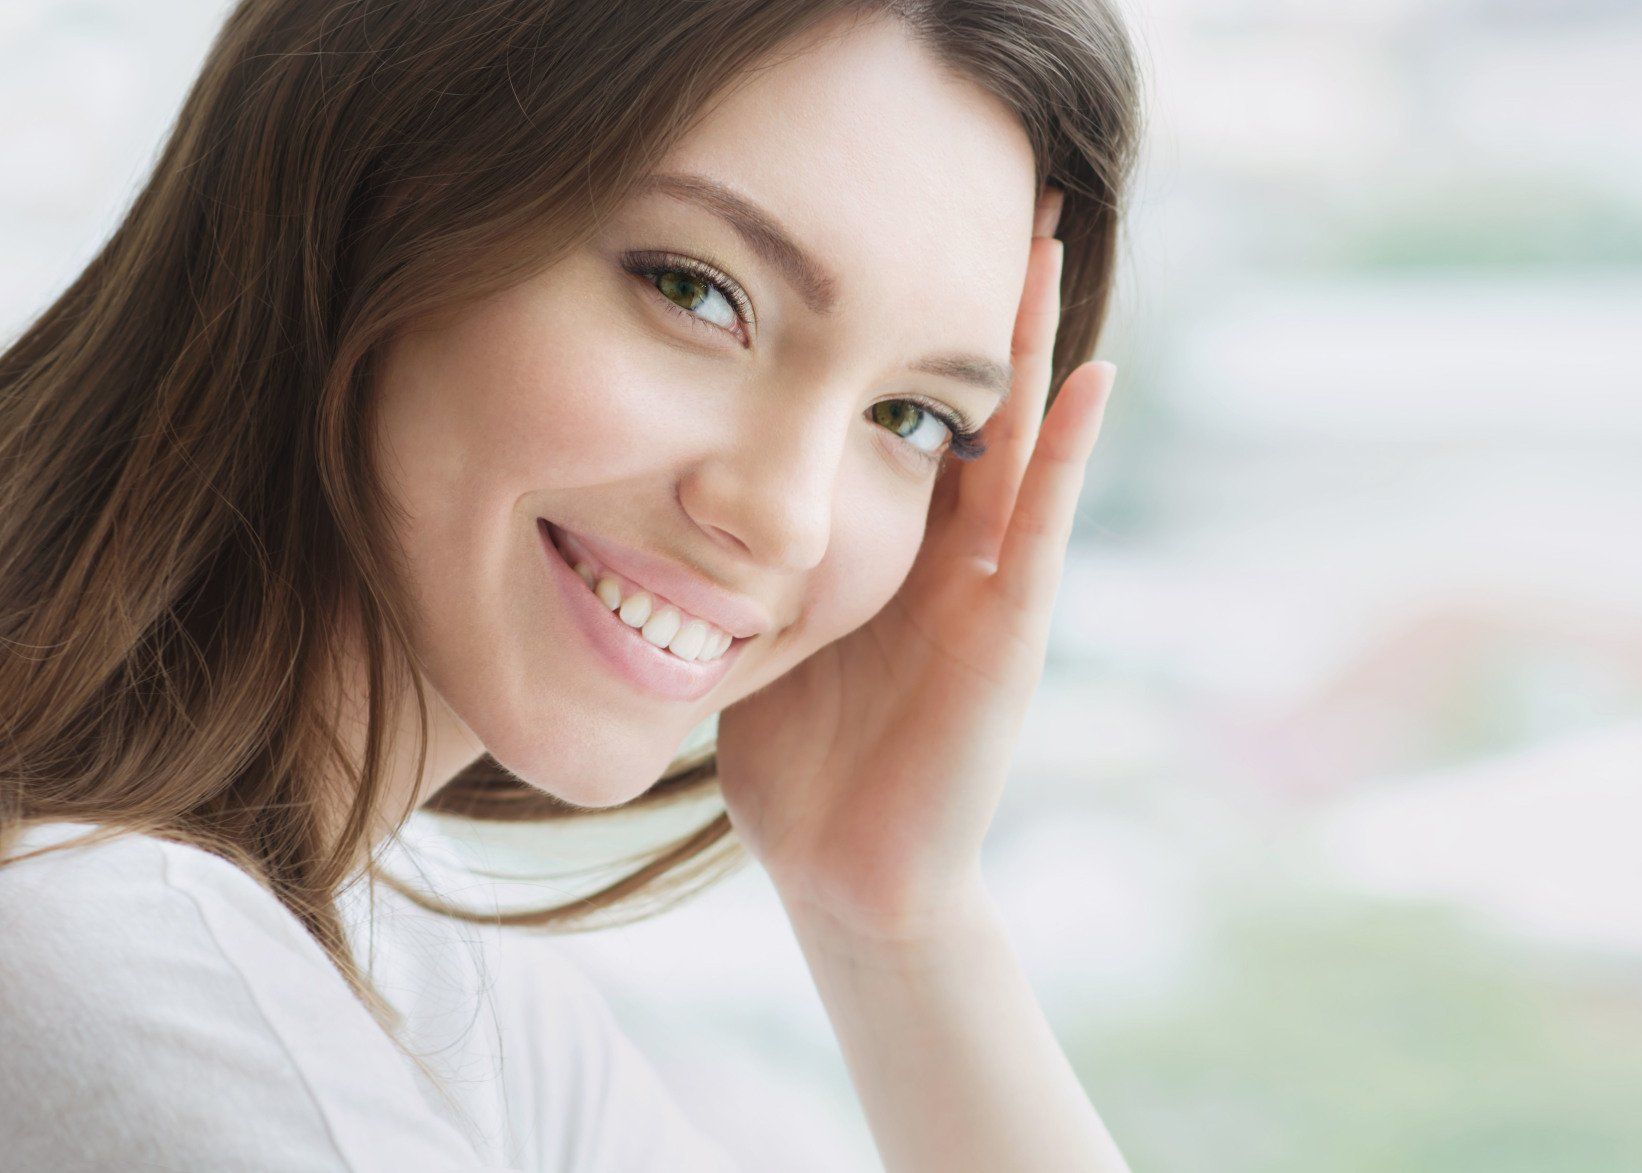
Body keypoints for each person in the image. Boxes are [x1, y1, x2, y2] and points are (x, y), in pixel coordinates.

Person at [0, 0, 1144, 1169]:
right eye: (698, 292)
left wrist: (894, 914)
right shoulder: (131, 972)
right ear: (376, 171)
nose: (788, 519)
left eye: (912, 417)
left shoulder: (424, 972)